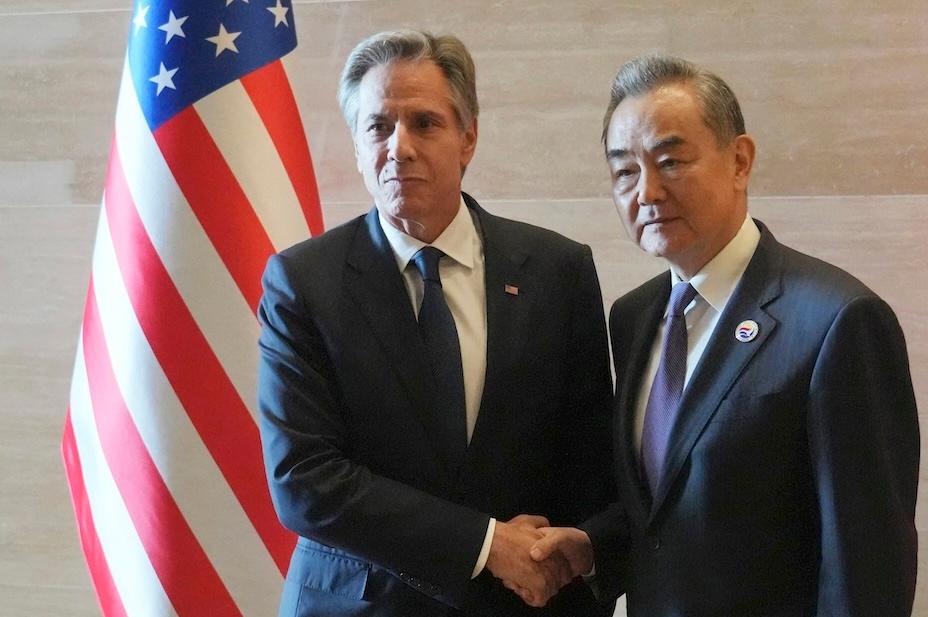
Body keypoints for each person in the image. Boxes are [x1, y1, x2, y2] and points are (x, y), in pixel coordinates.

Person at [527, 54, 919, 615]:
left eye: (670, 161)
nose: (648, 192)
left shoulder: (837, 321)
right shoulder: (634, 317)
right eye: (625, 172)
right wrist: (596, 548)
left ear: (740, 161)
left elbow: (868, 565)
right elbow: (672, 510)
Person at [257, 30, 614, 617]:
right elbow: (303, 479)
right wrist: (486, 544)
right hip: (361, 606)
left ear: (468, 137)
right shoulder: (303, 281)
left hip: (525, 603)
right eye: (378, 126)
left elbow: (587, 460)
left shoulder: (558, 270)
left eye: (423, 123)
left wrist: (567, 559)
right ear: (356, 144)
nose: (398, 147)